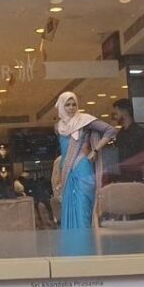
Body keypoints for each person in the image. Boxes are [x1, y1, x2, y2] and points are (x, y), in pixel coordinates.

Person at [54, 91, 118, 229]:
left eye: (74, 104)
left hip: (83, 169)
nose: (71, 107)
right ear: (61, 106)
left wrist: (95, 150)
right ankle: (72, 243)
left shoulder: (84, 120)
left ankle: (86, 242)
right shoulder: (59, 127)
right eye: (67, 105)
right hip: (66, 172)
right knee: (68, 209)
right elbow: (64, 153)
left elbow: (110, 130)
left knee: (83, 208)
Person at [110, 98, 144, 164]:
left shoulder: (140, 133)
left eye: (116, 113)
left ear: (124, 112)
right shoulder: (120, 134)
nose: (115, 117)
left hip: (137, 168)